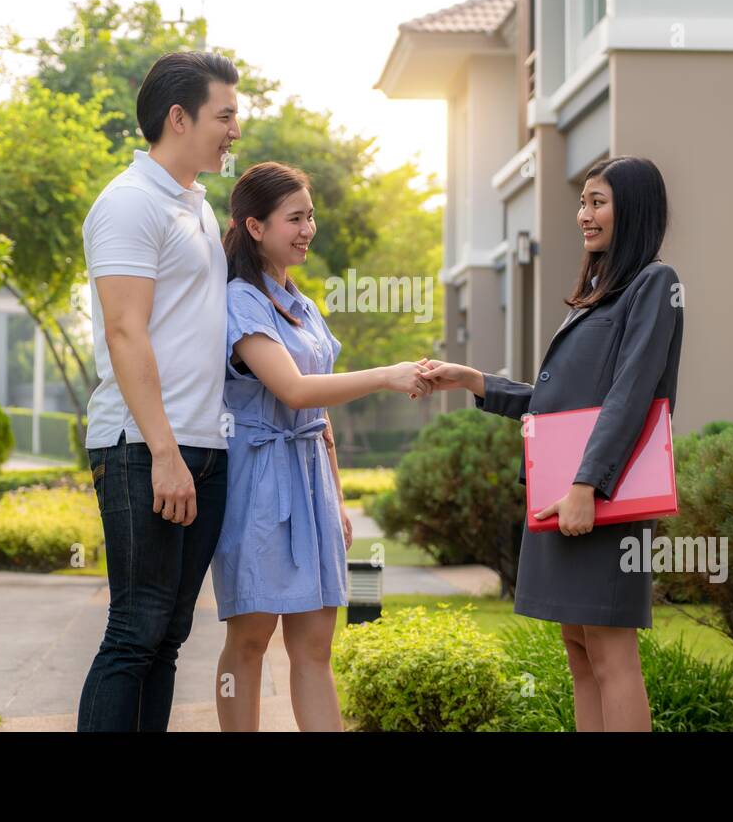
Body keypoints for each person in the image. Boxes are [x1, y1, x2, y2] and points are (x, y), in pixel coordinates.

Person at [417, 155, 684, 732]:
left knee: (613, 656)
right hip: (563, 491)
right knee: (580, 651)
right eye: (582, 201)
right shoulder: (599, 293)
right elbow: (558, 402)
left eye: (597, 202)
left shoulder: (655, 285)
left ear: (632, 209)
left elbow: (630, 395)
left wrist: (587, 485)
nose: (583, 214)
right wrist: (474, 380)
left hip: (600, 495)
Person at [213, 160, 431, 731]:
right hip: (259, 481)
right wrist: (387, 374)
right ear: (255, 227)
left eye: (310, 216)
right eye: (294, 218)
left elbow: (319, 414)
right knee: (251, 640)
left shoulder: (302, 304)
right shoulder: (241, 300)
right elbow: (292, 389)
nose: (308, 229)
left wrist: (335, 498)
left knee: (315, 646)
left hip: (309, 477)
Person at [77, 51, 241, 731]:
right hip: (143, 446)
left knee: (167, 637)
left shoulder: (197, 206)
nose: (235, 129)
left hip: (202, 447)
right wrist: (166, 452)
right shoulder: (128, 203)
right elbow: (125, 332)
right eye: (224, 115)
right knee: (135, 630)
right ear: (179, 117)